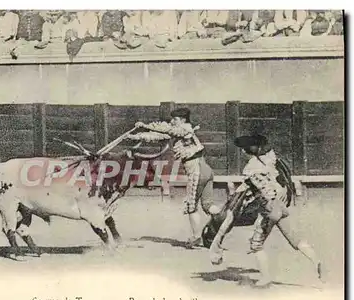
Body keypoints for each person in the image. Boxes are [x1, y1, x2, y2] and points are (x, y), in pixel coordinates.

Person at [232, 133, 322, 287]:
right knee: (295, 239)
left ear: (248, 151)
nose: (242, 152)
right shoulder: (270, 159)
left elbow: (263, 191)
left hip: (271, 210)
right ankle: (317, 261)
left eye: (244, 149)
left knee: (256, 245)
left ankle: (265, 277)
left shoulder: (252, 168)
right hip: (281, 207)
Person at [132, 108, 220, 247]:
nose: (172, 122)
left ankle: (197, 237)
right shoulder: (182, 131)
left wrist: (145, 125)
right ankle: (223, 221)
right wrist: (136, 136)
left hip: (196, 170)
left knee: (191, 206)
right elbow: (159, 136)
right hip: (206, 169)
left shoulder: (185, 128)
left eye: (175, 119)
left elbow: (169, 131)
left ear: (183, 120)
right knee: (208, 205)